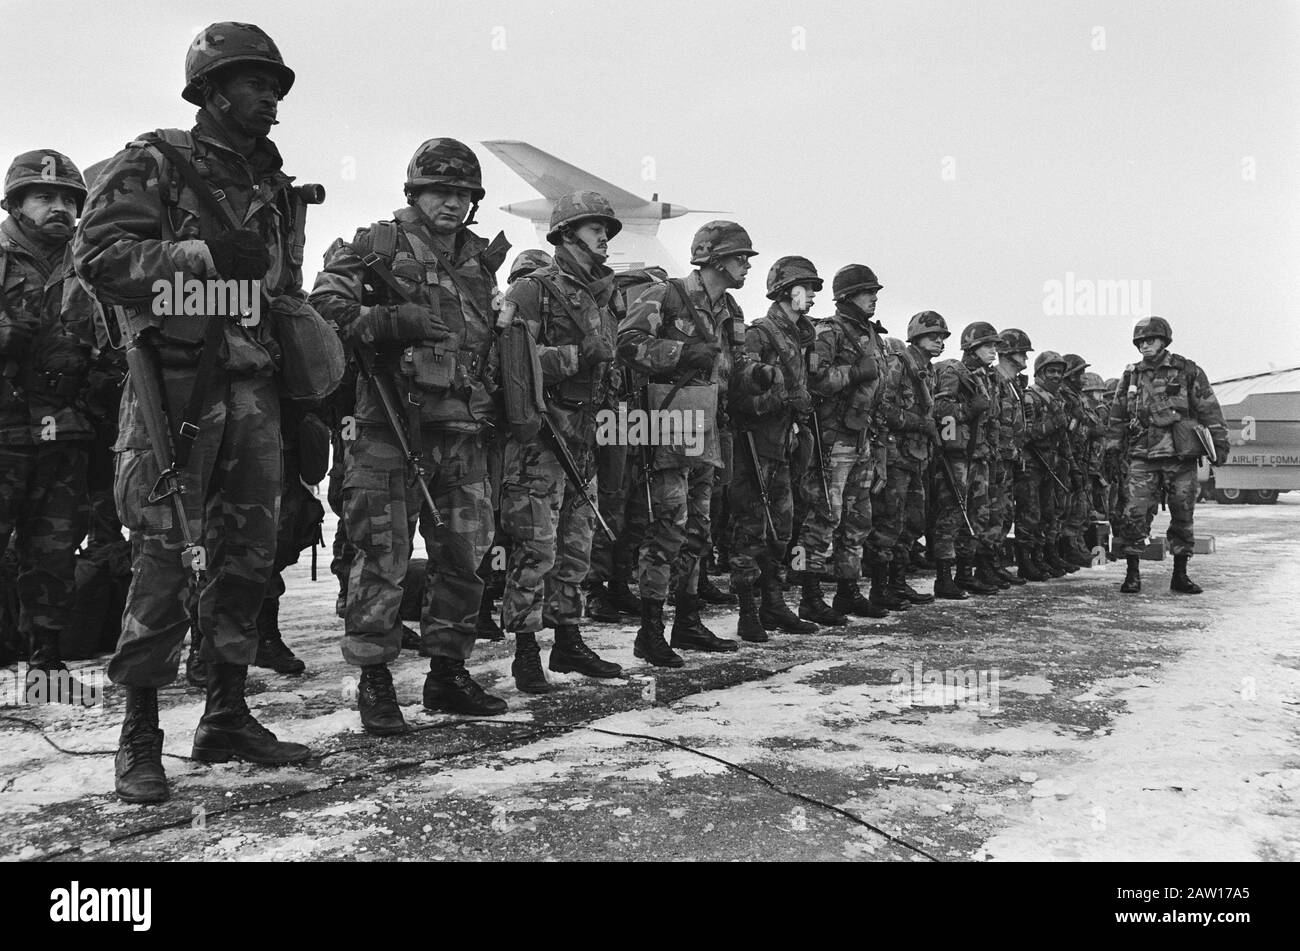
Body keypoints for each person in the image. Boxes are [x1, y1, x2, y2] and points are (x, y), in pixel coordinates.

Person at [75, 22, 320, 802]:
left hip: (254, 389)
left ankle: (225, 711)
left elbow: (279, 293)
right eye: (256, 85)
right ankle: (139, 733)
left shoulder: (274, 187)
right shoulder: (155, 162)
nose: (271, 103)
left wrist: (311, 384)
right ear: (211, 89)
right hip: (175, 383)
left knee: (250, 554)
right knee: (163, 555)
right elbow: (100, 262)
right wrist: (198, 259)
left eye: (277, 89)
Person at [310, 137, 511, 732]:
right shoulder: (374, 245)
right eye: (438, 191)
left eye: (461, 193)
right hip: (388, 427)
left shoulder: (479, 262)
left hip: (463, 430)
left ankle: (447, 673)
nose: (450, 202)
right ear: (414, 193)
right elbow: (322, 307)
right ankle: (374, 681)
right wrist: (388, 321)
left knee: (464, 556)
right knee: (381, 558)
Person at [496, 191, 624, 692]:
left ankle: (568, 640)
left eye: (607, 231)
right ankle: (526, 652)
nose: (605, 239)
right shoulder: (532, 290)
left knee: (576, 544)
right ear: (567, 234)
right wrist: (577, 356)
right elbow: (508, 362)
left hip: (585, 435)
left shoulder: (603, 295)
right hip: (541, 438)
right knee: (535, 546)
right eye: (596, 230)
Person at [618, 221, 759, 664]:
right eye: (740, 258)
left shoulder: (729, 309)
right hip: (670, 421)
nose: (745, 266)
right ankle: (650, 630)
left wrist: (757, 375)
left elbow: (732, 368)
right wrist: (678, 354)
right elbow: (627, 344)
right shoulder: (667, 294)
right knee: (667, 528)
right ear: (715, 259)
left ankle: (688, 621)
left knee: (698, 528)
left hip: (708, 428)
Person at [0, 149, 94, 688]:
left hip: (65, 429)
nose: (59, 208)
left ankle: (45, 666)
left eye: (68, 199)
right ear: (16, 203)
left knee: (54, 549)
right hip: (5, 428)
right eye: (45, 197)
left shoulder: (89, 263)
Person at [797, 264, 891, 624]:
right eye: (869, 292)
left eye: (875, 292)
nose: (875, 298)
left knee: (858, 520)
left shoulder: (873, 337)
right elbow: (814, 380)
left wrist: (878, 447)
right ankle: (809, 594)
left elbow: (877, 396)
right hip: (831, 440)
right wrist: (853, 372)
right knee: (822, 518)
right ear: (848, 296)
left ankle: (848, 593)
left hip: (861, 438)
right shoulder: (828, 333)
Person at [1109, 316, 1228, 594]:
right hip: (1142, 456)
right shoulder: (1131, 375)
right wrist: (1112, 448)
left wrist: (1219, 446)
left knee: (1183, 514)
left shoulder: (1187, 371)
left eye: (1150, 340)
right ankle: (1132, 574)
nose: (1144, 345)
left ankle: (1180, 574)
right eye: (1140, 341)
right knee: (1134, 514)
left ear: (1164, 341)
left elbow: (1210, 409)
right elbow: (1117, 416)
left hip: (1180, 456)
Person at [930, 322, 1002, 598]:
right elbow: (942, 410)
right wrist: (970, 409)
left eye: (995, 346)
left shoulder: (985, 377)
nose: (993, 351)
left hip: (980, 455)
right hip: (958, 456)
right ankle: (943, 576)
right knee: (951, 515)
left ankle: (964, 573)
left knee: (978, 514)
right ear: (972, 347)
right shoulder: (953, 371)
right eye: (988, 345)